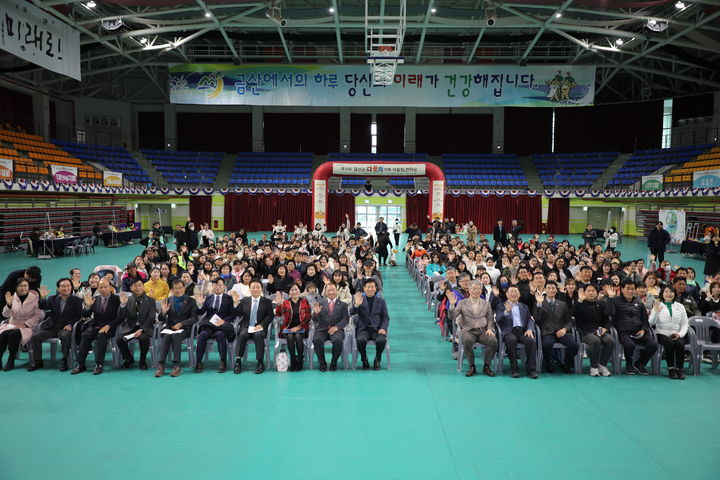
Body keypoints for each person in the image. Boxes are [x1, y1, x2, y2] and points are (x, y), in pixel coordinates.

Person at [28, 279, 83, 372]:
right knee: (35, 337)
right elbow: (43, 306)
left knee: (65, 336)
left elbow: (78, 316)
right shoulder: (52, 298)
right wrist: (42, 298)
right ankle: (38, 361)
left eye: (68, 286)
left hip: (65, 328)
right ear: (58, 288)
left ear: (71, 287)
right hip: (52, 328)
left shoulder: (77, 300)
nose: (66, 288)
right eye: (63, 286)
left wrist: (71, 325)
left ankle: (64, 360)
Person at [446, 281, 498, 377]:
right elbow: (452, 316)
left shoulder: (486, 303)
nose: (476, 291)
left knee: (493, 341)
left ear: (481, 290)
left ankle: (487, 366)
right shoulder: (462, 303)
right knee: (467, 340)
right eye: (473, 288)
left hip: (483, 330)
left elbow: (490, 318)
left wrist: (490, 328)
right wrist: (452, 305)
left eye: (478, 288)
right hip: (468, 330)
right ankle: (472, 366)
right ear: (469, 290)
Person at [71, 279, 120, 375]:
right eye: (101, 287)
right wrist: (88, 306)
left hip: (110, 327)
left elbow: (121, 317)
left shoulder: (116, 300)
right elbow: (85, 315)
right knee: (85, 335)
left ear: (110, 287)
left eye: (106, 287)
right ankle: (81, 364)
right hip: (95, 325)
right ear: (98, 288)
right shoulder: (95, 298)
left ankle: (99, 364)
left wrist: (109, 325)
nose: (103, 289)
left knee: (101, 336)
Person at [610, 279, 658, 375]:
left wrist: (643, 330)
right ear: (622, 289)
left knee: (653, 345)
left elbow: (645, 319)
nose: (630, 291)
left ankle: (639, 363)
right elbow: (609, 313)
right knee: (629, 345)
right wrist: (610, 300)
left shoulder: (639, 302)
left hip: (638, 332)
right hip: (623, 332)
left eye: (632, 289)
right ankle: (629, 364)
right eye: (627, 289)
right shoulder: (615, 301)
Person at [533, 281, 579, 374]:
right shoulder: (539, 303)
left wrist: (565, 329)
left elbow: (569, 320)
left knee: (574, 345)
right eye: (549, 288)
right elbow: (537, 318)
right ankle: (548, 363)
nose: (551, 290)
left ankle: (566, 363)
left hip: (562, 331)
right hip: (547, 332)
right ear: (545, 290)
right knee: (547, 344)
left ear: (556, 290)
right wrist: (539, 304)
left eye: (553, 288)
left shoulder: (562, 304)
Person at [154, 280, 198, 377]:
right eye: (175, 288)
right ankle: (161, 365)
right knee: (166, 336)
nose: (178, 290)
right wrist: (164, 312)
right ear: (172, 290)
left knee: (175, 336)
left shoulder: (191, 301)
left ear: (184, 288)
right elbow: (161, 319)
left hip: (184, 329)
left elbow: (194, 318)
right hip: (170, 328)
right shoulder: (169, 300)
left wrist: (181, 324)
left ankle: (177, 365)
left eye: (180, 287)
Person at [0, 279, 43, 371]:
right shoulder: (12, 298)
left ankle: (11, 360)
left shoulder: (35, 298)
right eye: (20, 286)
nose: (23, 288)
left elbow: (40, 315)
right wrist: (9, 305)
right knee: (4, 334)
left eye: (25, 285)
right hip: (13, 324)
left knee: (13, 334)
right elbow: (5, 315)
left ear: (28, 287)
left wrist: (25, 324)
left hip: (29, 326)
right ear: (16, 287)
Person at [495, 285, 538, 378]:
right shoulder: (501, 306)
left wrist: (530, 329)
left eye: (515, 292)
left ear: (519, 294)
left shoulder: (524, 306)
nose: (513, 293)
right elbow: (498, 320)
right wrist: (506, 312)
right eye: (511, 291)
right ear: (506, 294)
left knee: (531, 341)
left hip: (522, 331)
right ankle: (514, 369)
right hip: (509, 331)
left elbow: (530, 319)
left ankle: (531, 370)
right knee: (511, 340)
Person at [194, 278, 236, 373]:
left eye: (220, 285)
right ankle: (199, 361)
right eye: (215, 285)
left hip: (222, 326)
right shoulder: (208, 298)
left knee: (220, 335)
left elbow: (233, 315)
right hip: (209, 326)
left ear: (224, 287)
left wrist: (224, 321)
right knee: (202, 335)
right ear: (212, 286)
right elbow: (201, 312)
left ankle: (223, 362)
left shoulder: (229, 299)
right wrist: (200, 304)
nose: (217, 287)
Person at [233, 280, 274, 374]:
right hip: (247, 326)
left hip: (260, 326)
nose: (255, 289)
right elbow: (238, 314)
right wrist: (236, 303)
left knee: (258, 335)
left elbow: (270, 316)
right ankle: (238, 361)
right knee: (242, 334)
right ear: (250, 289)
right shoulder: (244, 301)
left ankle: (260, 362)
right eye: (253, 287)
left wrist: (262, 325)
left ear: (261, 289)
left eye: (257, 287)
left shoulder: (267, 302)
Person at [573, 284, 614, 377]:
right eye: (588, 291)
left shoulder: (601, 303)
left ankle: (602, 365)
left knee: (610, 340)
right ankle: (594, 367)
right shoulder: (580, 303)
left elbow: (608, 317)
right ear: (584, 292)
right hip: (586, 332)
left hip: (600, 331)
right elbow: (573, 314)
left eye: (593, 291)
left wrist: (605, 328)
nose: (591, 293)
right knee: (595, 341)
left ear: (596, 292)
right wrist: (579, 300)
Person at [116, 278, 157, 370]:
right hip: (130, 327)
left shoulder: (150, 300)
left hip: (145, 327)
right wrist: (122, 305)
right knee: (119, 339)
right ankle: (129, 359)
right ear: (131, 288)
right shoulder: (128, 299)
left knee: (144, 338)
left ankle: (142, 361)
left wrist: (142, 330)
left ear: (143, 286)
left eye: (140, 285)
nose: (138, 288)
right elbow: (121, 317)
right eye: (135, 286)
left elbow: (151, 318)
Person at [649, 286, 689, 379]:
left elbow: (685, 324)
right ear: (662, 294)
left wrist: (680, 334)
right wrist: (655, 311)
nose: (669, 294)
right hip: (661, 333)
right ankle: (671, 368)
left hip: (676, 333)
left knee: (680, 344)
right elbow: (651, 323)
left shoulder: (680, 306)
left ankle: (680, 369)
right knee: (669, 343)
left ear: (674, 294)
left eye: (671, 292)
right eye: (666, 292)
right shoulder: (658, 305)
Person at [351, 278, 389, 370]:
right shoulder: (359, 299)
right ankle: (364, 358)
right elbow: (351, 312)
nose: (370, 289)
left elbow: (385, 317)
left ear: (376, 288)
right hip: (364, 329)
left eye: (372, 287)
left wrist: (383, 328)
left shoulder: (381, 301)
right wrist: (356, 305)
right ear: (364, 288)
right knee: (360, 341)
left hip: (377, 329)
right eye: (368, 287)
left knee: (381, 341)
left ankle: (377, 359)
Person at [311, 283, 349, 371]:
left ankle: (333, 362)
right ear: (325, 292)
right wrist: (316, 313)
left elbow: (346, 319)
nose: (331, 292)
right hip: (322, 329)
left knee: (338, 341)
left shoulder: (343, 304)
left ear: (337, 291)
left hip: (336, 330)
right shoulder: (320, 303)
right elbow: (315, 319)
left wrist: (337, 327)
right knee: (317, 340)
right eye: (329, 290)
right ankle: (322, 363)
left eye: (333, 290)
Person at [274, 284, 311, 371]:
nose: (294, 292)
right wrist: (279, 304)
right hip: (288, 329)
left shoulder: (305, 301)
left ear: (299, 290)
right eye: (292, 290)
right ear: (289, 292)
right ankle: (293, 360)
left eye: (296, 289)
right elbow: (278, 314)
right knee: (290, 336)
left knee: (298, 336)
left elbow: (308, 317)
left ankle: (300, 360)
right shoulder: (285, 302)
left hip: (302, 328)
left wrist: (299, 327)